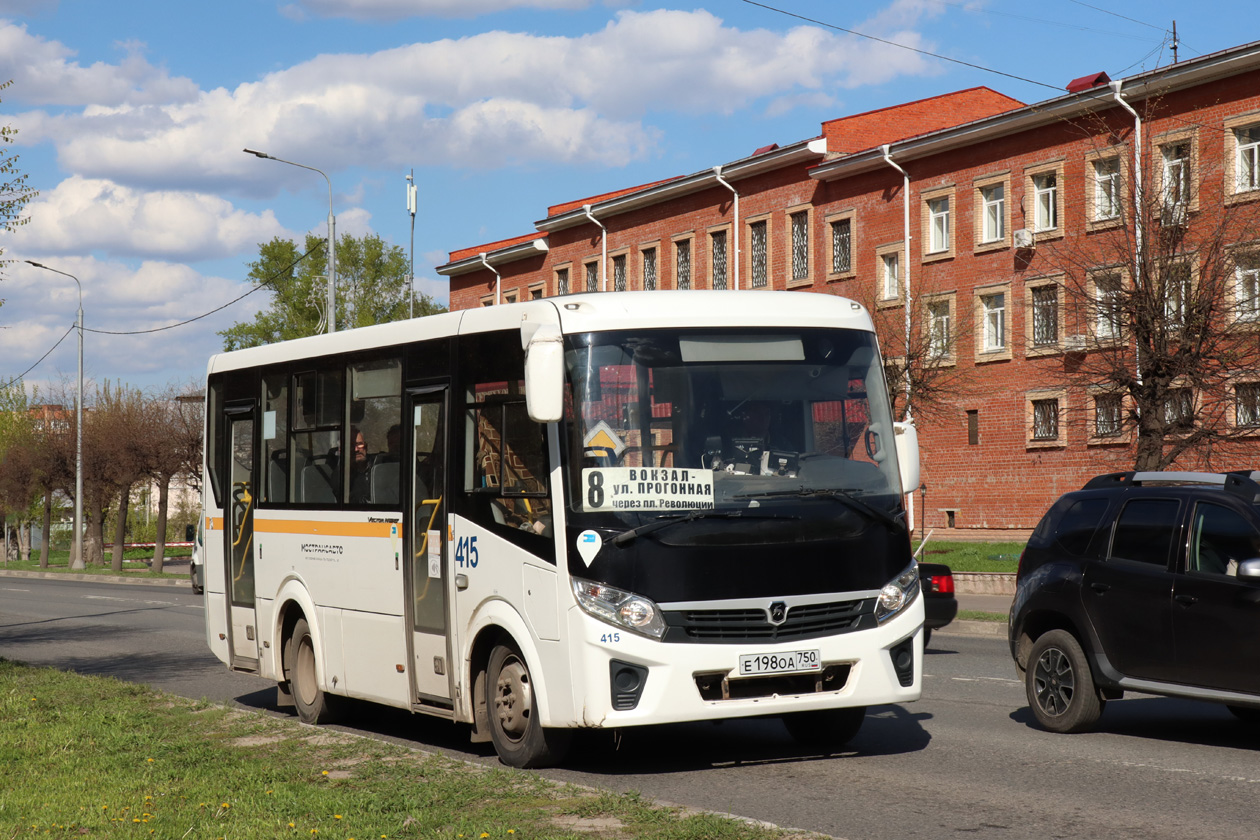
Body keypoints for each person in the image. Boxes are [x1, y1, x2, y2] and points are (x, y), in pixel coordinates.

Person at [348, 427, 370, 503]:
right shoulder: (342, 475)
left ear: (366, 446)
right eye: (352, 446)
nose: (356, 450)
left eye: (360, 444)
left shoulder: (377, 469)